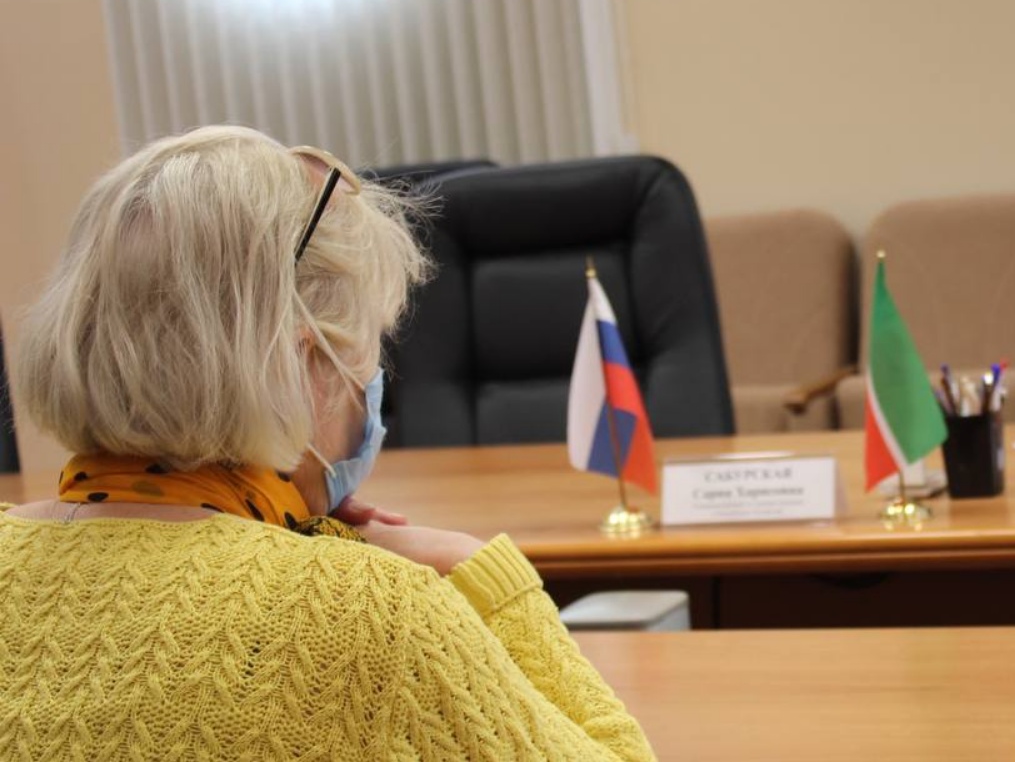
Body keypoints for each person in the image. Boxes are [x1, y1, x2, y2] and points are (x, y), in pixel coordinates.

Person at [0, 126, 655, 761]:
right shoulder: (370, 613)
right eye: (370, 347)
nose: (371, 381)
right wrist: (483, 574)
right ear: (305, 366)